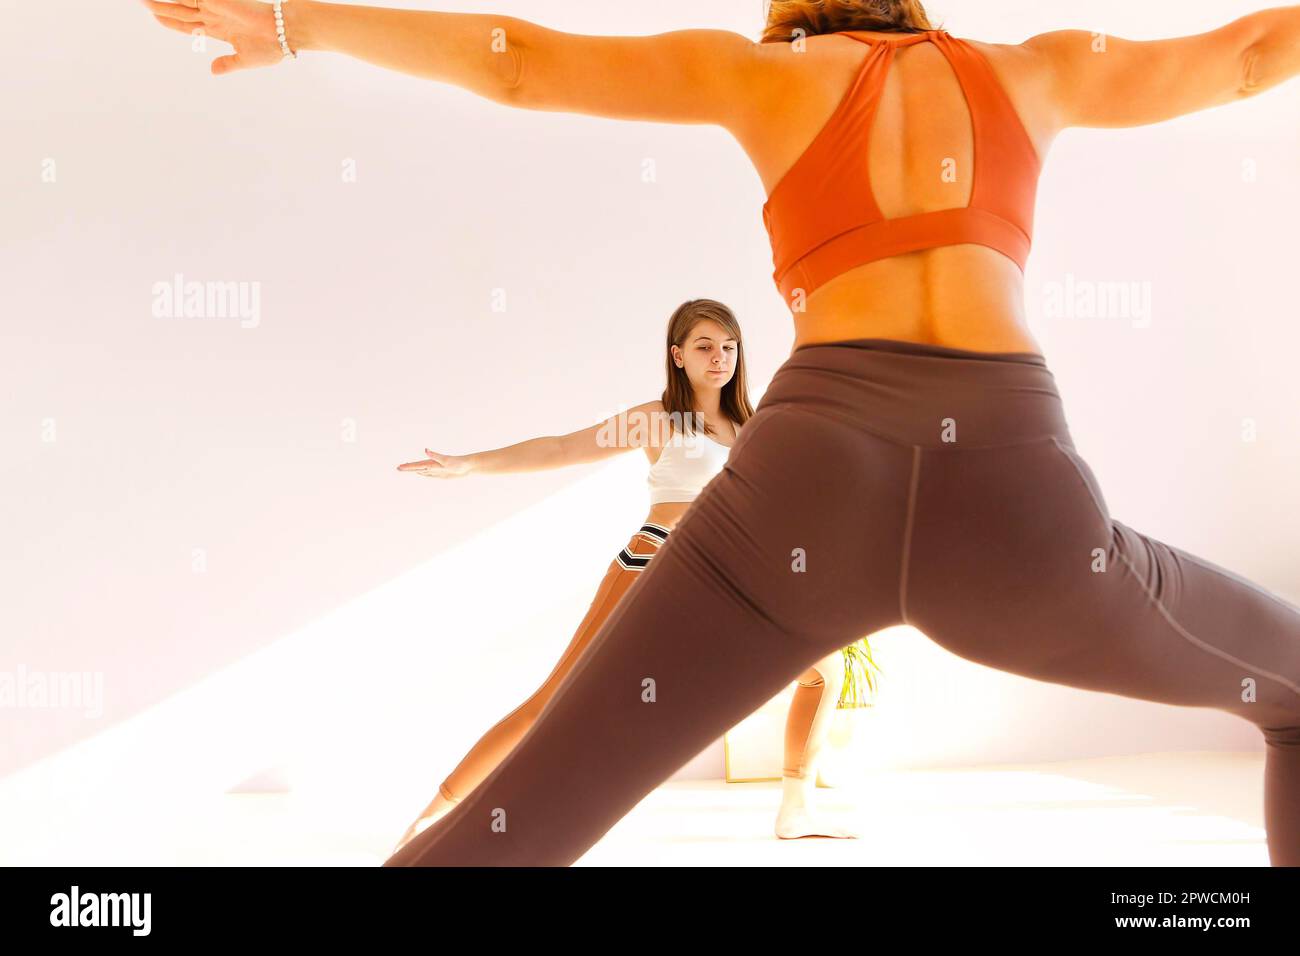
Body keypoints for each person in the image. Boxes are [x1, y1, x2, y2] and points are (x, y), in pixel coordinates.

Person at [143, 0, 1300, 866]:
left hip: (810, 481)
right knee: (1290, 692)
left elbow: (519, 64)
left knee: (516, 822)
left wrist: (300, 21)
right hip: (1018, 502)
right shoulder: (1036, 72)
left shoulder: (763, 75)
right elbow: (1253, 57)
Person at [390, 299, 857, 852]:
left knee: (823, 671)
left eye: (729, 347)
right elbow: (563, 447)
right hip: (657, 565)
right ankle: (431, 820)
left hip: (729, 577)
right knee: (556, 702)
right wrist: (471, 463)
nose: (720, 358)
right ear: (677, 355)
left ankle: (796, 809)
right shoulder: (660, 418)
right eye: (705, 347)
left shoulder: (749, 425)